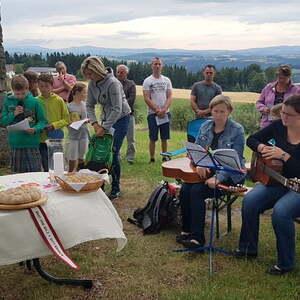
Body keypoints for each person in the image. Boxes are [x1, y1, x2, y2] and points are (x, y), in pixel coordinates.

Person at [235, 95, 300, 275]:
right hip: (275, 180)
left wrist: (284, 156)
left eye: (289, 114)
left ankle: (285, 264)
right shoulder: (279, 126)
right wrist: (262, 148)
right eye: (283, 113)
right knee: (250, 201)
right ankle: (248, 248)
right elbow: (252, 139)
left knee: (281, 212)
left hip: (298, 188)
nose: (283, 117)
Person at [177, 95, 246, 248]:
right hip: (207, 172)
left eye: (222, 111)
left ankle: (197, 238)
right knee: (185, 189)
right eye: (215, 111)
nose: (218, 115)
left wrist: (219, 178)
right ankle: (187, 229)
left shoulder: (237, 130)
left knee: (197, 190)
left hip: (231, 174)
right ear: (211, 111)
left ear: (229, 112)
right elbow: (196, 151)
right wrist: (199, 163)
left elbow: (236, 161)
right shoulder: (205, 126)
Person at [81, 56, 131, 200]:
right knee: (100, 152)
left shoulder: (113, 83)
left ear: (97, 70)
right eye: (86, 75)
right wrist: (95, 124)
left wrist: (104, 127)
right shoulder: (92, 84)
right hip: (105, 120)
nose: (88, 77)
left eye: (90, 74)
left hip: (121, 118)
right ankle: (100, 185)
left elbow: (117, 109)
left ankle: (115, 188)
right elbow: (89, 105)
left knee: (112, 152)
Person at [0, 75, 47, 172]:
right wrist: (13, 114)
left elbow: (43, 121)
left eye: (23, 93)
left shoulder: (35, 102)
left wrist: (35, 129)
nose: (20, 96)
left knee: (35, 173)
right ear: (13, 90)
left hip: (32, 143)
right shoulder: (8, 101)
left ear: (28, 88)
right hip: (16, 144)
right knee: (17, 175)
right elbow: (3, 121)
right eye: (17, 94)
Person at [37, 74, 70, 171]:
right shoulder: (36, 101)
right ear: (38, 86)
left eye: (47, 86)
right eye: (41, 86)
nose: (44, 89)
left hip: (56, 139)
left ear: (52, 86)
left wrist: (54, 125)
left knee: (57, 165)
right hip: (41, 139)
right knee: (45, 166)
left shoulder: (59, 100)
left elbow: (66, 119)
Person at [143, 57, 173, 163]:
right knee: (153, 138)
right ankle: (152, 158)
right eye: (155, 64)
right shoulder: (148, 81)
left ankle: (164, 156)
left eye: (159, 64)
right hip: (152, 114)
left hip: (165, 113)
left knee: (164, 137)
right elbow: (146, 98)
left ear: (162, 66)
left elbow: (169, 96)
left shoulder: (166, 80)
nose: (157, 66)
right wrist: (157, 110)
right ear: (152, 66)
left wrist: (164, 109)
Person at [116, 64, 137, 164]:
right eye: (118, 72)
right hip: (115, 116)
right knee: (116, 137)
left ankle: (130, 158)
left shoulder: (131, 84)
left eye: (122, 72)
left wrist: (117, 104)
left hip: (128, 115)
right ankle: (117, 156)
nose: (119, 74)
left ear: (126, 74)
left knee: (130, 138)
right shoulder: (112, 84)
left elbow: (131, 100)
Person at [67, 82, 89, 172]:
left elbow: (88, 117)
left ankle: (80, 173)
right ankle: (70, 173)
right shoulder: (69, 106)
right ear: (76, 93)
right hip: (73, 135)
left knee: (82, 156)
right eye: (84, 92)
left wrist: (88, 120)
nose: (86, 94)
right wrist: (71, 122)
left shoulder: (85, 105)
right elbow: (67, 121)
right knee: (72, 157)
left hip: (83, 134)